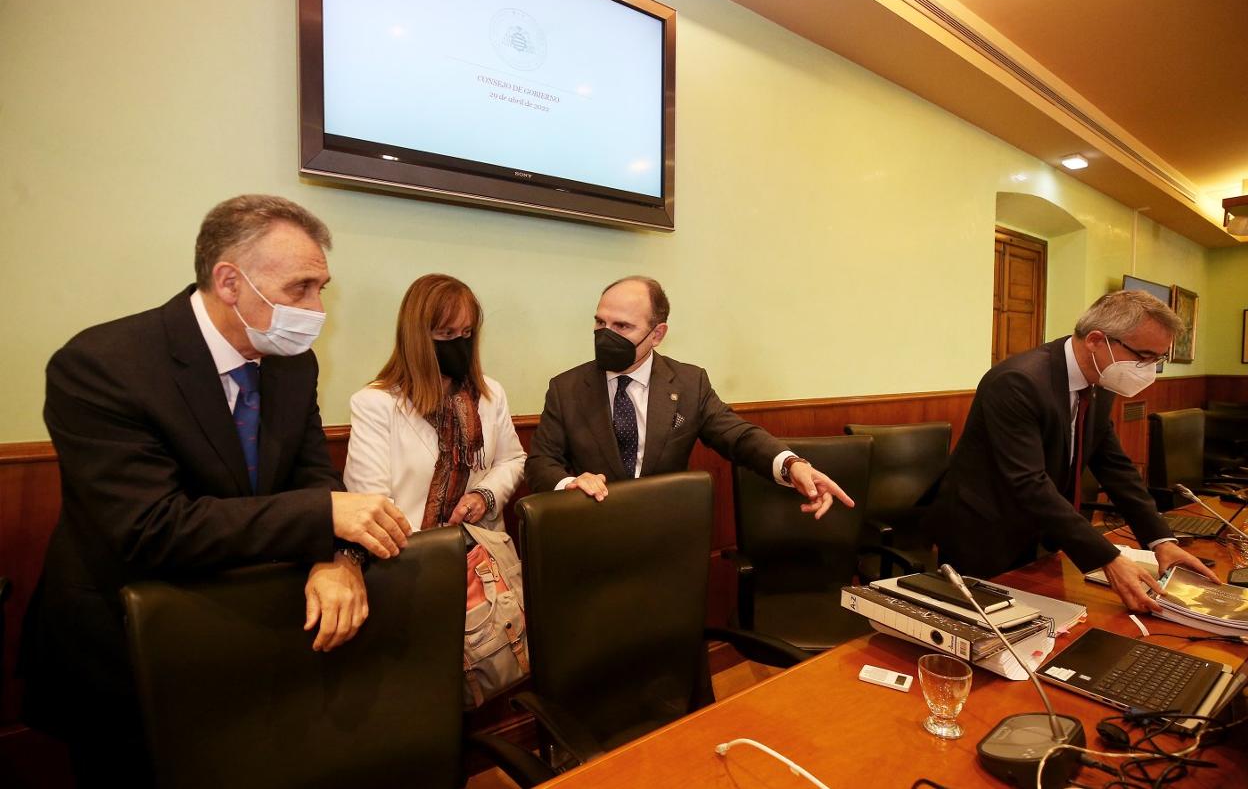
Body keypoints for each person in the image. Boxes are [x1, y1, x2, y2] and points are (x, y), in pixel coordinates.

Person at [19, 195, 411, 787]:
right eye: (301, 288)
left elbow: (312, 475)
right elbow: (152, 527)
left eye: (322, 287)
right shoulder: (102, 364)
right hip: (123, 654)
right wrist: (324, 514)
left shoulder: (290, 363)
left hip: (246, 641)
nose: (317, 308)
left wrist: (339, 559)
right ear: (230, 281)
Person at [926, 290, 1218, 611]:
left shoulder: (1101, 380)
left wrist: (1160, 540)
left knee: (1049, 623)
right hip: (984, 531)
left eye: (1157, 360)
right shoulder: (1017, 382)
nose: (1148, 370)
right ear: (1096, 340)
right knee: (987, 631)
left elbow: (1115, 467)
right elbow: (1027, 482)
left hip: (1041, 529)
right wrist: (1108, 557)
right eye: (1143, 356)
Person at [525, 276, 853, 517]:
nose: (606, 335)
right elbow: (541, 462)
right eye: (600, 322)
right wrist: (569, 483)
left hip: (666, 539)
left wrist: (791, 464)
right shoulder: (565, 388)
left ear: (657, 334)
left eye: (622, 326)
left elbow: (738, 435)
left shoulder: (688, 383)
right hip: (589, 535)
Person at [344, 274, 525, 533]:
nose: (460, 343)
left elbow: (513, 459)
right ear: (418, 338)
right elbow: (372, 502)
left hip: (481, 551)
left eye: (467, 332)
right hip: (411, 555)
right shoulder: (375, 404)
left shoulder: (490, 393)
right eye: (447, 333)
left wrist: (484, 496)